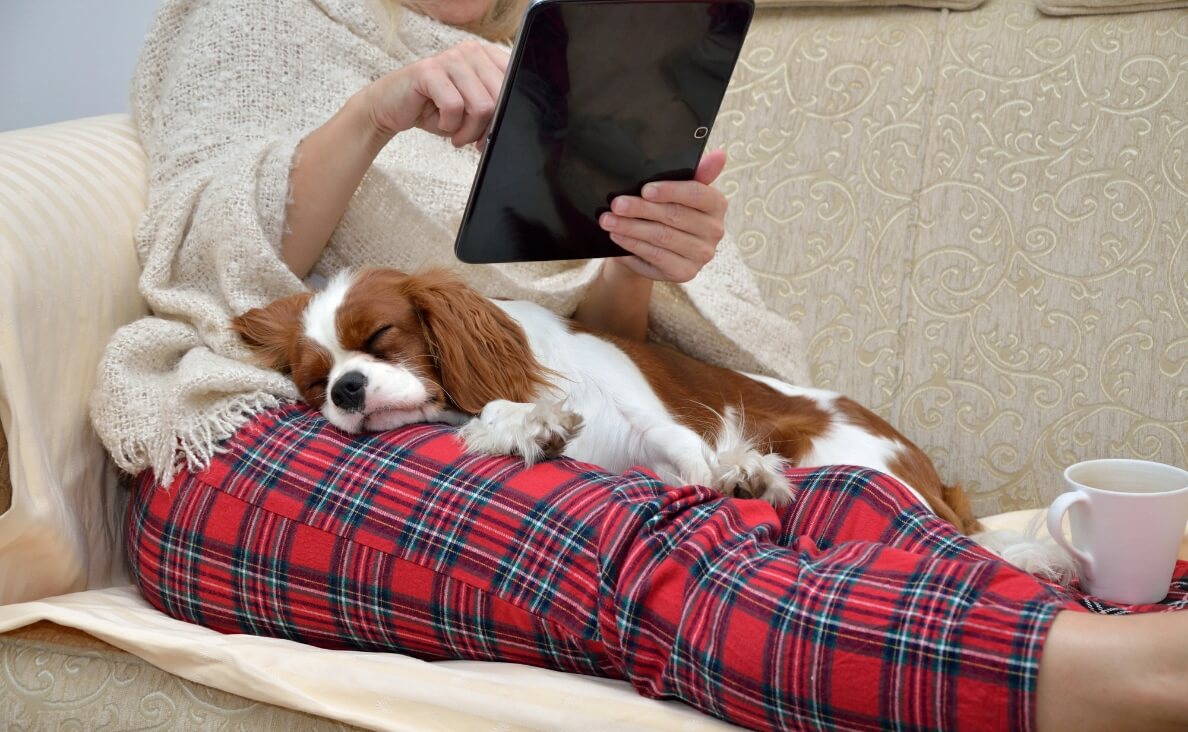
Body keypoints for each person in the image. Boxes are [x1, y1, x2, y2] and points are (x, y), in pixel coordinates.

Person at [93, 0, 1188, 730]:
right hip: (262, 448)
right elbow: (208, 261)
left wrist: (634, 270)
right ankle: (1106, 676)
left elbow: (576, 345)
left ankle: (1112, 609)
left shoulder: (551, 62)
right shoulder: (251, 21)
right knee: (647, 549)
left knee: (809, 496)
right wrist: (377, 114)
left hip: (507, 424)